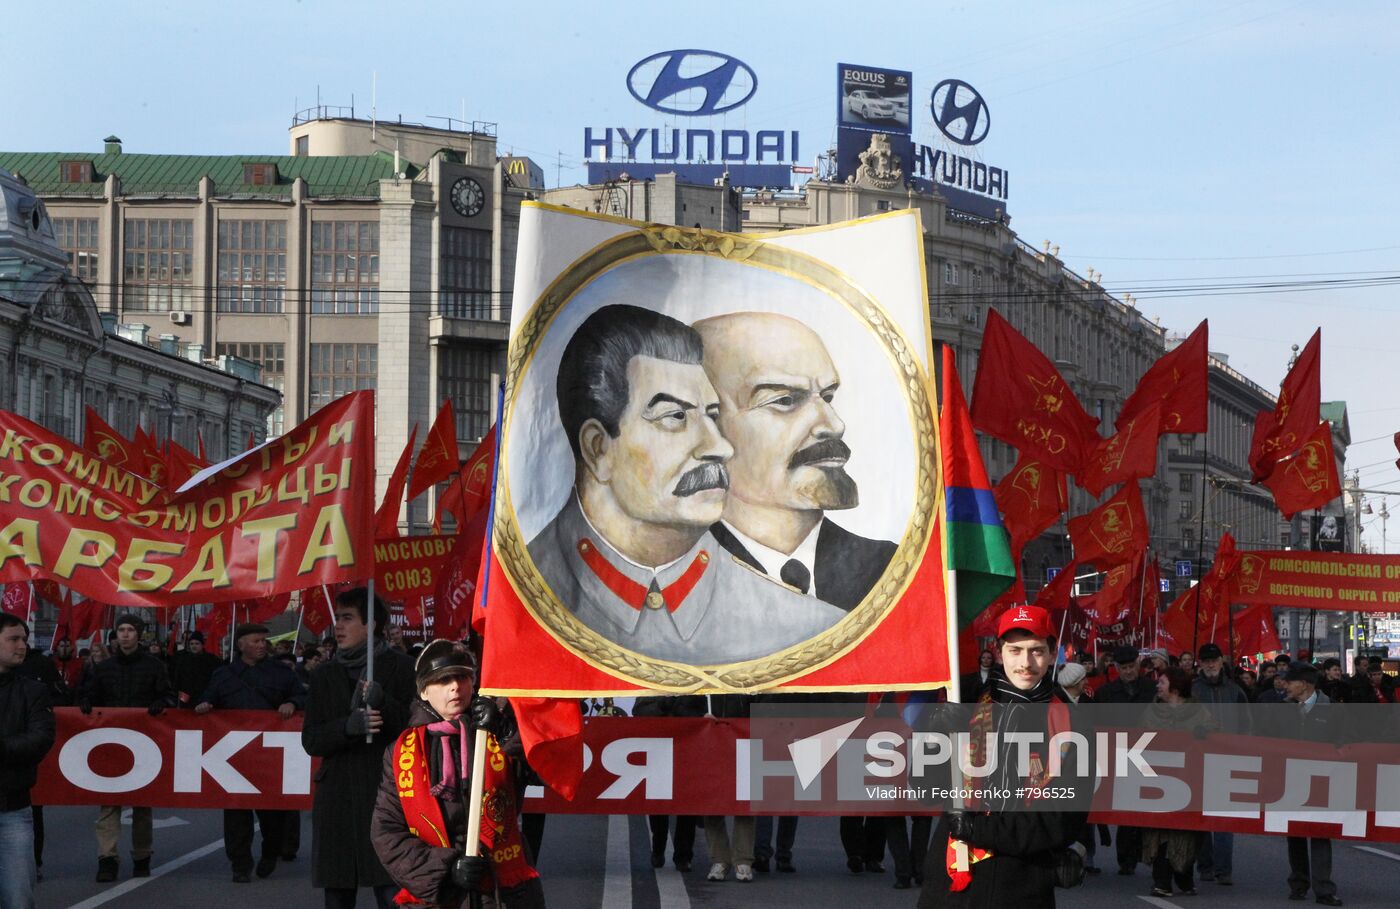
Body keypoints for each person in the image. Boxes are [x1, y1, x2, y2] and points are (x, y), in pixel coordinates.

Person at [527, 304, 843, 664]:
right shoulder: (521, 593)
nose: (720, 447)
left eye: (712, 415)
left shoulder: (806, 629)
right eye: (675, 417)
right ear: (598, 449)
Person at [694, 312, 898, 612]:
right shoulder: (678, 580)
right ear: (709, 424)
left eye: (827, 396)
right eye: (785, 401)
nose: (833, 424)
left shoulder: (889, 570)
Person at [916, 604, 1089, 909]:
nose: (1026, 662)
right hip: (952, 882)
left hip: (1023, 885)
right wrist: (933, 737)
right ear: (998, 652)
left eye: (1036, 650)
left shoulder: (1073, 725)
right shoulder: (965, 700)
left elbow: (1061, 821)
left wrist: (978, 830)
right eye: (1015, 650)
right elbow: (924, 789)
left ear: (1052, 653)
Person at [371, 640, 545, 908]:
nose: (455, 686)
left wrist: (505, 726)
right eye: (443, 680)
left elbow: (541, 766)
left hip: (503, 891)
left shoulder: (493, 732)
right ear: (424, 691)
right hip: (439, 894)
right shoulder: (400, 751)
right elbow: (386, 832)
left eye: (462, 676)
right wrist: (447, 868)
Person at [302, 588, 417, 908]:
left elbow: (416, 729)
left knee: (391, 890)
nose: (338, 626)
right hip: (337, 797)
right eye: (337, 618)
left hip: (385, 794)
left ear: (373, 624)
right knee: (338, 892)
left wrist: (384, 703)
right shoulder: (323, 674)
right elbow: (311, 739)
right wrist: (346, 728)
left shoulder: (404, 668)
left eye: (348, 618)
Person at [196, 622, 307, 882]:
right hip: (234, 757)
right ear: (241, 644)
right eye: (255, 641)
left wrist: (291, 702)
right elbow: (209, 697)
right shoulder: (223, 675)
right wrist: (204, 704)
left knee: (272, 814)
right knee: (236, 814)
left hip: (269, 756)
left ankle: (270, 853)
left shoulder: (281, 673)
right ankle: (240, 864)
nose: (261, 645)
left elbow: (301, 697)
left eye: (263, 641)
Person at [78, 613, 175, 883]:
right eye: (121, 629)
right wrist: (86, 702)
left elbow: (168, 694)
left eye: (130, 629)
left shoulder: (154, 666)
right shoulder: (104, 667)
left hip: (144, 744)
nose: (125, 634)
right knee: (108, 805)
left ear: (139, 634)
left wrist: (161, 704)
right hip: (110, 743)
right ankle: (107, 859)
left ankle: (142, 857)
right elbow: (88, 694)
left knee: (142, 805)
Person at [1142, 667, 1214, 897]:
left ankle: (1184, 876)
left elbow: (1216, 736)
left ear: (1174, 686)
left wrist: (1205, 734)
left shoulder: (1199, 712)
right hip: (1158, 780)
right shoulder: (1152, 711)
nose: (1157, 686)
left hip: (1189, 782)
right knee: (1159, 831)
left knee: (1185, 832)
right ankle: (1161, 880)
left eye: (1161, 682)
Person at [0, 614, 55, 909]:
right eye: (13, 639)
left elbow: (40, 739)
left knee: (18, 898)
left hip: (12, 809)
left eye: (24, 639)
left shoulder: (33, 690)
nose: (22, 646)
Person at [1276, 661, 1342, 906]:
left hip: (1323, 782)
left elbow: (1344, 743)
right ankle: (1299, 882)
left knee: (1321, 833)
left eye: (1290, 681)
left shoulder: (1332, 710)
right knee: (1294, 833)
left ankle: (1323, 889)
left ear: (1304, 685)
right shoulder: (1282, 709)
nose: (1285, 685)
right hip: (1291, 779)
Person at [1191, 642, 1248, 885]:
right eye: (1206, 660)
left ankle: (1224, 869)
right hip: (1198, 762)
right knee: (1201, 819)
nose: (1210, 664)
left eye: (1214, 660)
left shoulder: (1235, 690)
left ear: (1221, 661)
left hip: (1228, 761)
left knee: (1224, 819)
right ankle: (1206, 866)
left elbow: (1247, 725)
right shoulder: (1191, 691)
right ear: (1200, 663)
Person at [1095, 644, 1153, 875]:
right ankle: (1126, 858)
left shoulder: (1151, 689)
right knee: (1124, 810)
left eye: (1132, 666)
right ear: (1116, 668)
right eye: (1124, 667)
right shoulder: (1106, 693)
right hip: (1117, 755)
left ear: (1138, 664)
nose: (1128, 671)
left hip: (1148, 755)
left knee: (1144, 809)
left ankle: (1140, 852)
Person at [631, 694, 705, 872]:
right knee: (658, 804)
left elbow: (700, 714)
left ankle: (683, 856)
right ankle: (658, 848)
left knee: (687, 806)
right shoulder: (653, 683)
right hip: (659, 749)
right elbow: (639, 711)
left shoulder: (695, 684)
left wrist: (678, 709)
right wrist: (664, 703)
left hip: (688, 749)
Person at [703, 694, 756, 882]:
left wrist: (752, 722)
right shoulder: (700, 677)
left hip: (744, 740)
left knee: (745, 800)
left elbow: (763, 702)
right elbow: (684, 705)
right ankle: (720, 859)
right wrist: (699, 718)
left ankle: (743, 860)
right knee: (712, 803)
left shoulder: (748, 674)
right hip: (709, 744)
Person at [169, 631, 222, 708]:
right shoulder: (183, 659)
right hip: (186, 699)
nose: (194, 646)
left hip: (204, 699)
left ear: (202, 645)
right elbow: (177, 679)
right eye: (191, 644)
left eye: (197, 643)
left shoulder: (211, 660)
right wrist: (180, 696)